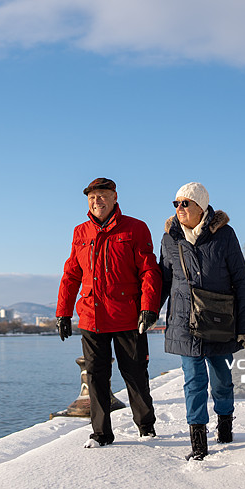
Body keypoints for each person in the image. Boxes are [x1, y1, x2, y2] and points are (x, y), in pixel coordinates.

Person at [56, 177, 162, 448]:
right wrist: (63, 313)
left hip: (127, 315)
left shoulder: (135, 228)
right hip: (91, 317)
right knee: (96, 377)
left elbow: (149, 270)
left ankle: (146, 426)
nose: (97, 201)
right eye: (92, 197)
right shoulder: (80, 232)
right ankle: (101, 434)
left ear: (115, 197)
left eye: (102, 196)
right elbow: (71, 274)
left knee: (135, 373)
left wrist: (149, 308)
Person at [158, 182, 245, 460]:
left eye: (185, 203)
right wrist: (148, 311)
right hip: (183, 322)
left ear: (201, 206)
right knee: (193, 381)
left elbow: (241, 282)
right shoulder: (169, 239)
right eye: (176, 204)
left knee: (222, 379)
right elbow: (164, 281)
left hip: (219, 320)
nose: (179, 209)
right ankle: (198, 441)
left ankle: (225, 424)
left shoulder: (224, 236)